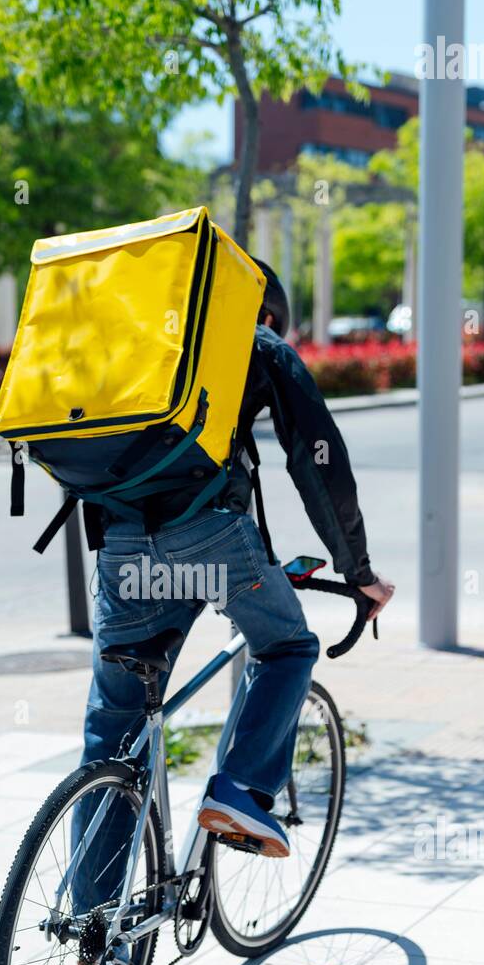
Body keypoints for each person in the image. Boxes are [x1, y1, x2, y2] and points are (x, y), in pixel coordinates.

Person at [73, 261, 393, 910]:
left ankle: (92, 921)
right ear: (265, 310)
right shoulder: (257, 339)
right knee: (286, 648)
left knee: (114, 727)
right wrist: (358, 572)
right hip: (208, 536)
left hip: (118, 540)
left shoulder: (137, 335)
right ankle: (242, 791)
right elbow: (317, 458)